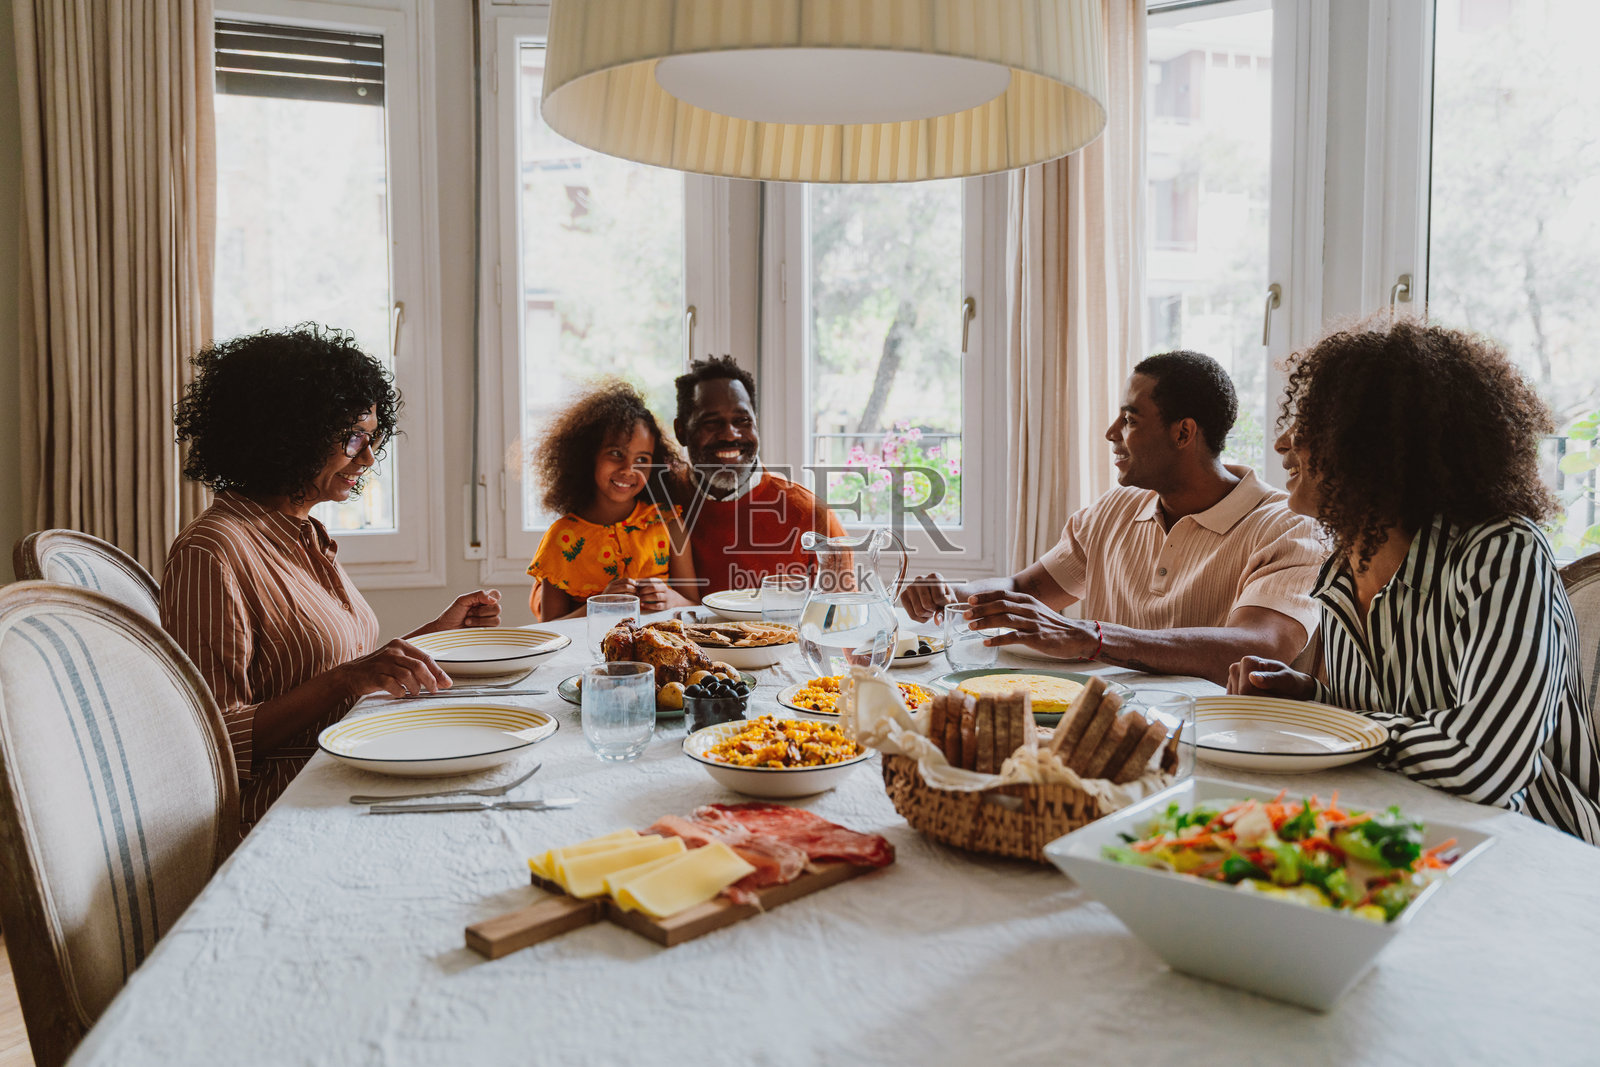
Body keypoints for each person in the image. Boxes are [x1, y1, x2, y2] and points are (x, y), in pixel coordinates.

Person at [1227, 319, 1600, 844]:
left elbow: (1482, 764)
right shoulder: (1339, 573)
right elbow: (1396, 724)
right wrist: (1310, 701)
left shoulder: (1501, 554)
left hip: (1537, 856)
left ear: (1375, 441)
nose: (1285, 440)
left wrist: (1333, 728)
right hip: (1402, 839)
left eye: (1313, 421)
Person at [161, 325, 502, 829]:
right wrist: (349, 678)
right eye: (352, 438)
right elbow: (212, 741)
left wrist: (437, 634)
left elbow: (347, 669)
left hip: (349, 776)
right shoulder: (212, 551)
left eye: (372, 439)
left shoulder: (305, 534)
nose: (367, 458)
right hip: (291, 809)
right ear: (288, 432)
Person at [901, 351, 1324, 685]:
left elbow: (1261, 648)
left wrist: (1093, 638)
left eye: (1130, 420)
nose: (1111, 433)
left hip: (1215, 741)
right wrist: (956, 594)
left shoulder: (1287, 526)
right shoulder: (1113, 510)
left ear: (1183, 433)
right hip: (1103, 723)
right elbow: (1021, 589)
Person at [672, 355, 845, 594]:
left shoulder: (811, 516)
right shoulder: (656, 503)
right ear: (681, 431)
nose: (730, 435)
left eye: (742, 420)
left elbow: (842, 621)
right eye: (711, 422)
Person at [526, 380, 698, 620]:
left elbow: (695, 606)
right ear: (588, 456)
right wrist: (598, 606)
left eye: (642, 459)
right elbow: (550, 631)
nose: (629, 469)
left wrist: (672, 600)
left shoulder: (669, 523)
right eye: (616, 454)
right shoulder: (561, 538)